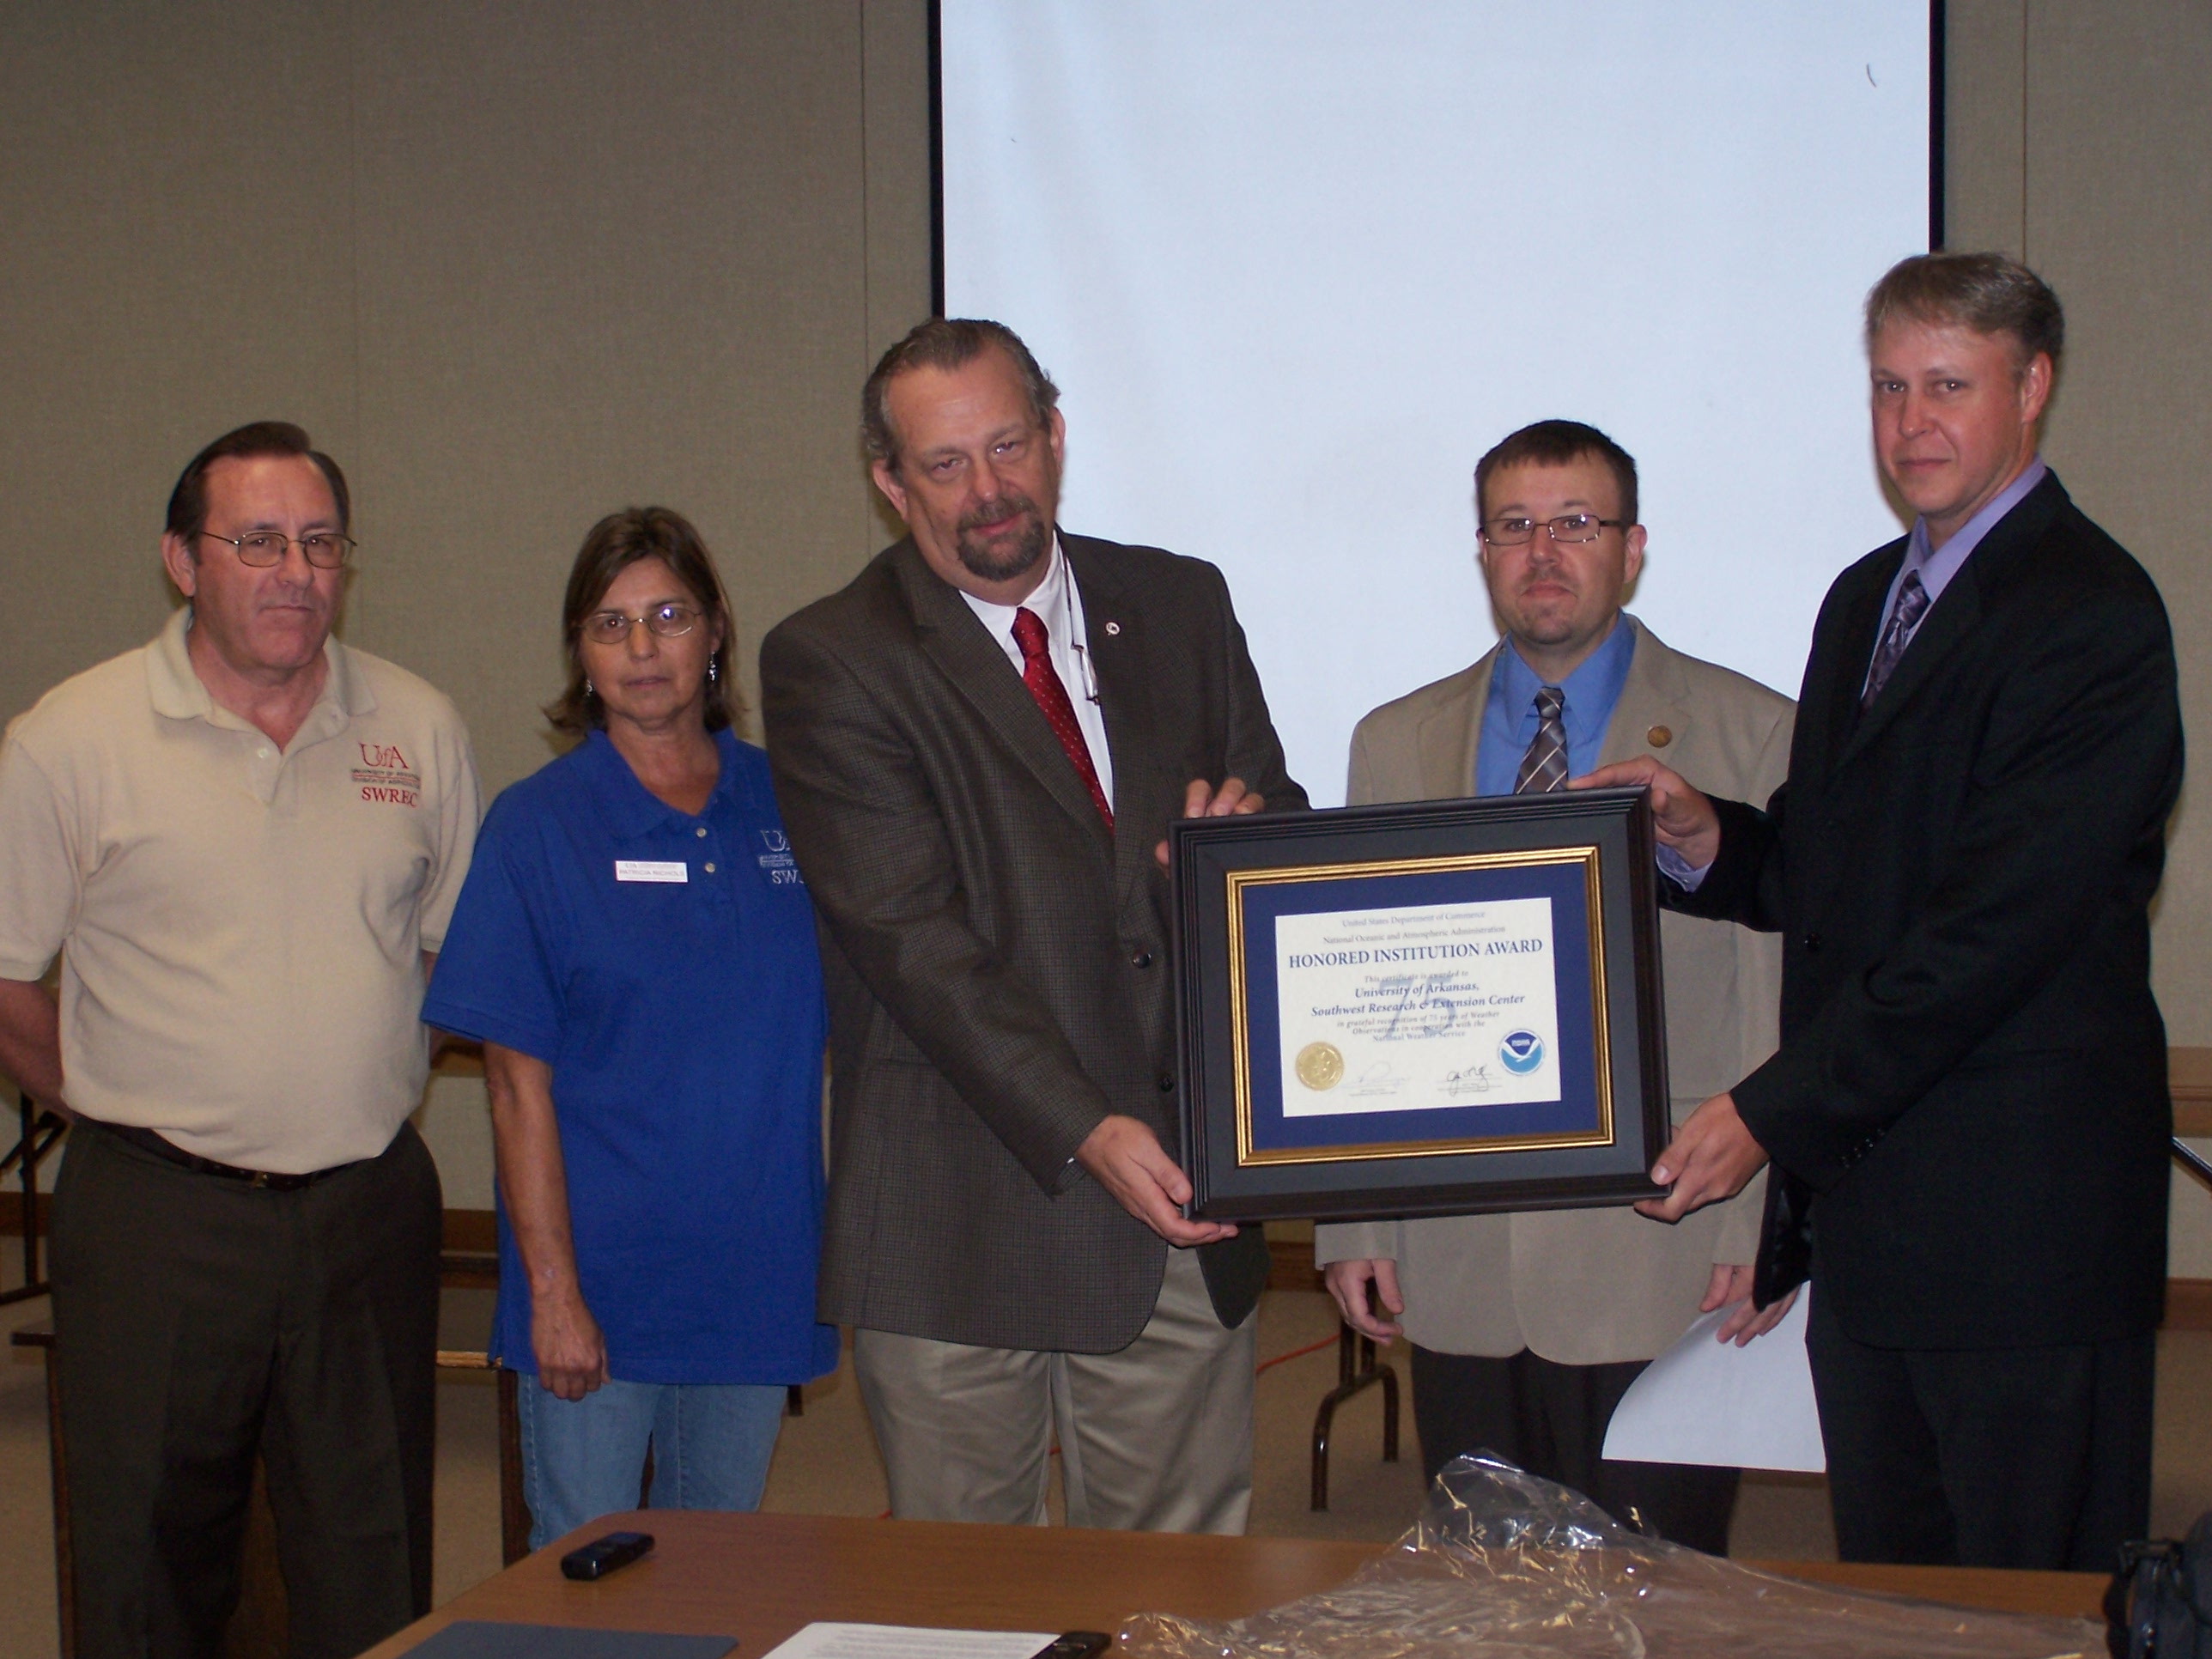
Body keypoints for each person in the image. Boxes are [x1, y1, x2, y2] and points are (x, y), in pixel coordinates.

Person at [1584, 252, 2182, 1571]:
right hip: (1877, 1227)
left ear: (2032, 388)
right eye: (1888, 387)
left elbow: (1991, 937)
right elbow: (1833, 868)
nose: (1911, 423)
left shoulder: (2093, 614)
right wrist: (1707, 837)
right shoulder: (1870, 597)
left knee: (2029, 1600)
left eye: (1948, 386)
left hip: (2023, 1230)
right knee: (1899, 1592)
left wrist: (1765, 1114)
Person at [759, 317, 1304, 1533]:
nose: (989, 490)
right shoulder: (830, 660)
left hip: (1174, 1196)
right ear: (890, 485)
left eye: (1008, 445)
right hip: (957, 1219)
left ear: (1056, 438)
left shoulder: (1181, 602)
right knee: (970, 1611)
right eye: (944, 464)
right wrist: (1087, 1129)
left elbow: (1278, 822)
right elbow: (911, 940)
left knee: (1173, 1600)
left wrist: (1242, 832)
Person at [0, 422, 481, 1656]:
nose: (296, 572)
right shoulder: (70, 737)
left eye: (320, 542)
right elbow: (3, 975)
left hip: (368, 1208)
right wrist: (113, 1107)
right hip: (158, 1220)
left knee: (372, 1561)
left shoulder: (417, 728)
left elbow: (442, 955)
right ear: (180, 559)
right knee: (145, 1560)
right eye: (257, 540)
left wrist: (347, 1082)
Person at [1314, 421, 1795, 1553]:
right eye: (1514, 526)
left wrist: (1760, 1219)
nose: (1544, 553)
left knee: (1660, 1589)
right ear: (1479, 551)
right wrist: (1354, 1217)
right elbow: (1357, 991)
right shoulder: (1396, 742)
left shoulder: (1751, 729)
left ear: (1633, 550)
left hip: (1663, 1241)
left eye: (1577, 523)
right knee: (1484, 1594)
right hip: (1458, 1251)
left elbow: (1777, 989)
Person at [421, 507, 836, 1547]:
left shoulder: (792, 807)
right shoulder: (536, 826)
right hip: (597, 1290)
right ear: (580, 649)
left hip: (753, 1277)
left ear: (714, 633)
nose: (643, 649)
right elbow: (516, 1089)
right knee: (585, 1583)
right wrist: (553, 1295)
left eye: (667, 616)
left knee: (719, 1570)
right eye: (611, 625)